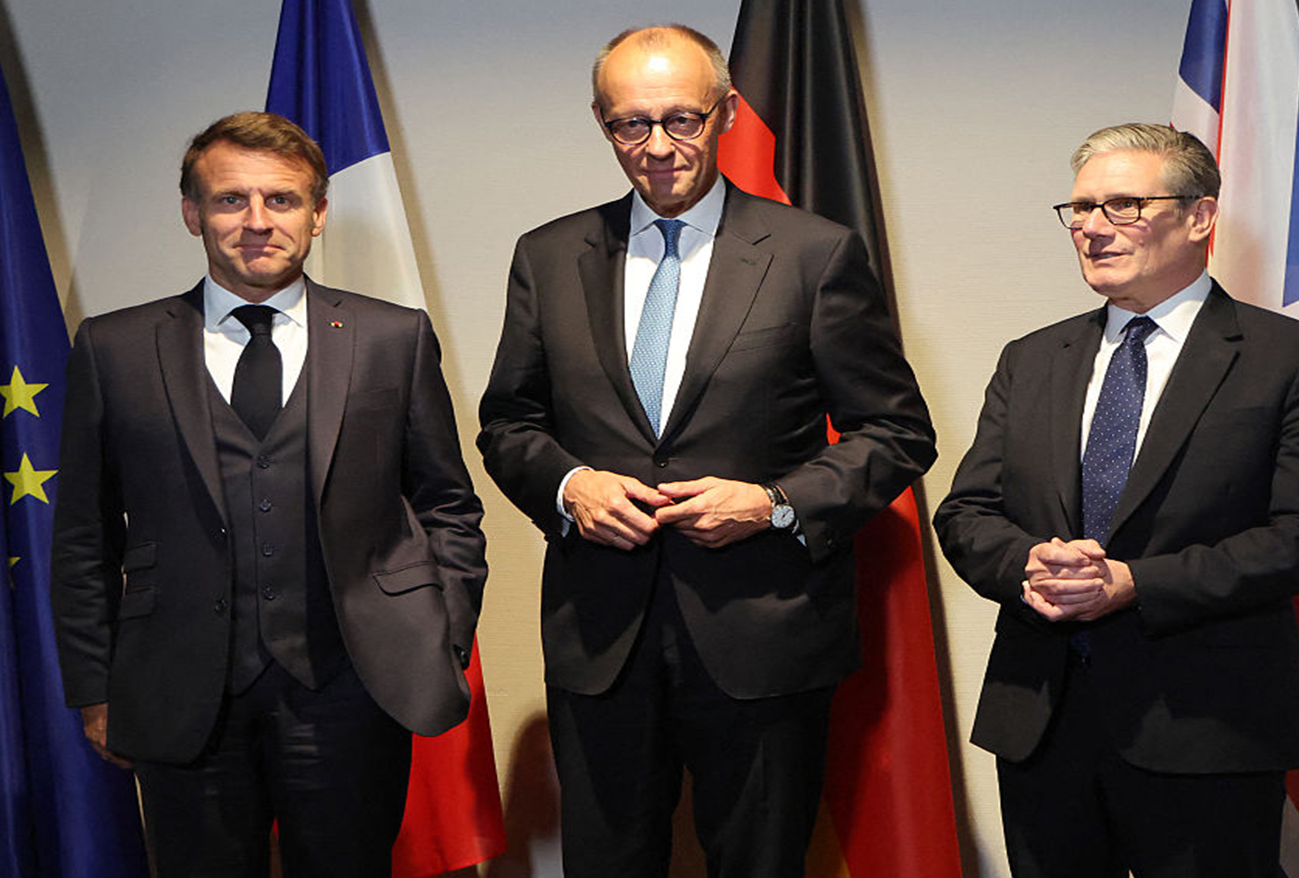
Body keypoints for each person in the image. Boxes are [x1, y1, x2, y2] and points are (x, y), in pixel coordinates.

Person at [477, 25, 935, 877]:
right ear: (601, 123)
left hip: (763, 634)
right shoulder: (546, 256)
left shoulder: (814, 253)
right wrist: (570, 486)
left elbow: (899, 432)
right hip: (600, 635)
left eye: (683, 119)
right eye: (630, 124)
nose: (658, 147)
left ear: (725, 112)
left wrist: (774, 503)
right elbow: (507, 423)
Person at [50, 111, 485, 877]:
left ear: (318, 213)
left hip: (354, 687)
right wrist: (94, 684)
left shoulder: (393, 337)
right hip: (180, 691)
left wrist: (436, 636)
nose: (257, 222)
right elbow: (84, 533)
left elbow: (447, 503)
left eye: (281, 200)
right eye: (230, 200)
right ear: (192, 212)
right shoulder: (113, 348)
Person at [934, 122, 1299, 877]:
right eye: (1081, 210)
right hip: (1041, 721)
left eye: (1124, 205)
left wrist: (1137, 584)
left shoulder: (1291, 360)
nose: (1093, 228)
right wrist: (1028, 561)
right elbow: (967, 512)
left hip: (1207, 726)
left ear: (1199, 216)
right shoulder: (1032, 358)